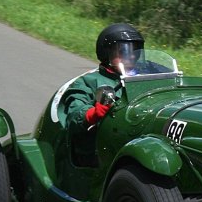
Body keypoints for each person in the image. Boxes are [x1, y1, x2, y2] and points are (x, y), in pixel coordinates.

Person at [61, 23, 144, 164]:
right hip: (99, 149)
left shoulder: (147, 75)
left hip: (139, 136)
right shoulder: (88, 81)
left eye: (134, 50)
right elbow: (73, 113)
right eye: (123, 51)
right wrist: (92, 114)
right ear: (107, 53)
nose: (130, 56)